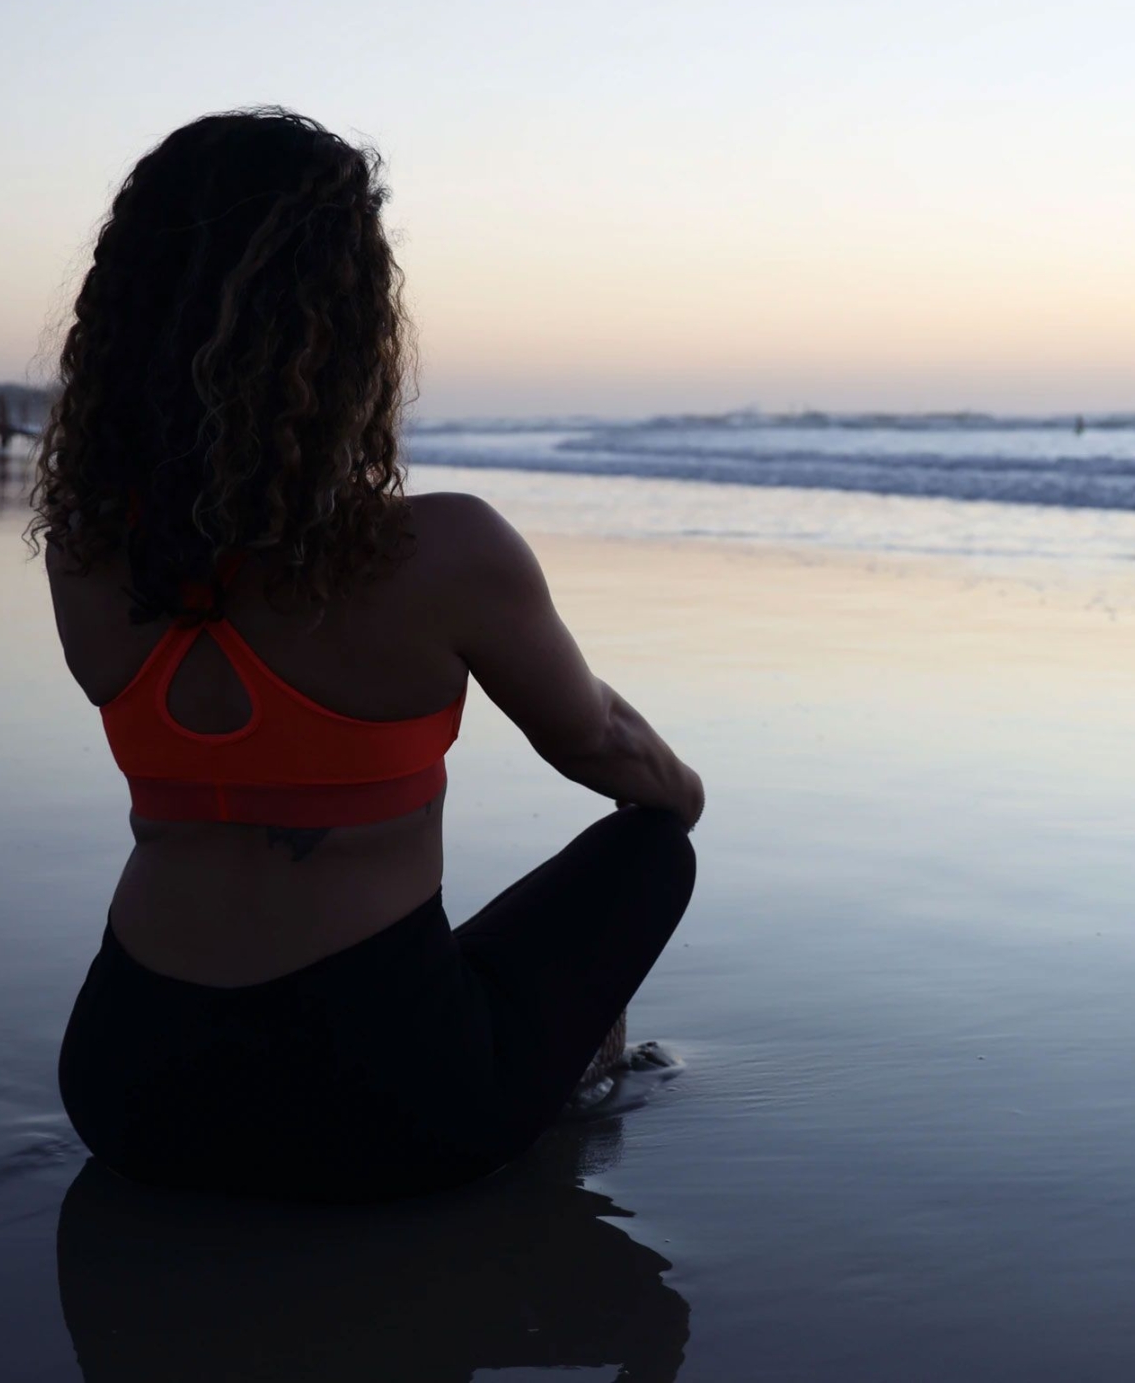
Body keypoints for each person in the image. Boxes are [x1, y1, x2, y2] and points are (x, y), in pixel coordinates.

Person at [35, 108, 701, 1201]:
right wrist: (681, 791)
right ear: (347, 327)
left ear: (123, 318)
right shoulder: (439, 549)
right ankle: (581, 1079)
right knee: (651, 848)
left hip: (129, 1094)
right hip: (390, 1109)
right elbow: (604, 745)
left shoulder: (88, 550)